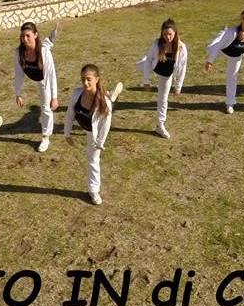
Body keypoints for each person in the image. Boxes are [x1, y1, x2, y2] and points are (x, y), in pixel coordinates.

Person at [64, 64, 122, 205]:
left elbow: (105, 125)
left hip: (93, 132)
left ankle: (93, 190)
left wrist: (100, 142)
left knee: (93, 159)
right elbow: (70, 113)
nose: (85, 83)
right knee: (107, 99)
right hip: (83, 124)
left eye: (89, 79)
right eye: (83, 79)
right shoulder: (77, 93)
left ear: (97, 79)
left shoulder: (103, 103)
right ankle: (111, 93)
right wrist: (67, 133)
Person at [135, 18, 188, 138]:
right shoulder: (157, 44)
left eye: (170, 34)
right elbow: (149, 61)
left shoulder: (181, 48)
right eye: (165, 34)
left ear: (175, 33)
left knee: (163, 99)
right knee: (141, 65)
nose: (167, 37)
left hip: (166, 75)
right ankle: (140, 65)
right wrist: (146, 81)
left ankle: (160, 125)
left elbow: (182, 67)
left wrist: (178, 86)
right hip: (154, 66)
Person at [14, 22, 60, 152]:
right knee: (46, 45)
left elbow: (51, 75)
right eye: (22, 36)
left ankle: (46, 136)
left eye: (28, 36)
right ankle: (50, 39)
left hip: (43, 78)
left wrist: (54, 97)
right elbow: (18, 74)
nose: (25, 39)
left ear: (35, 35)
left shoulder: (44, 53)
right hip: (33, 74)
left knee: (46, 108)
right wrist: (18, 93)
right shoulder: (18, 53)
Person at [204, 9, 244, 114]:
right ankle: (221, 33)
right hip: (223, 49)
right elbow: (219, 45)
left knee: (232, 77)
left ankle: (230, 104)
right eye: (243, 18)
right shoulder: (232, 32)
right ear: (241, 20)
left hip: (235, 56)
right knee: (213, 46)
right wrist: (210, 61)